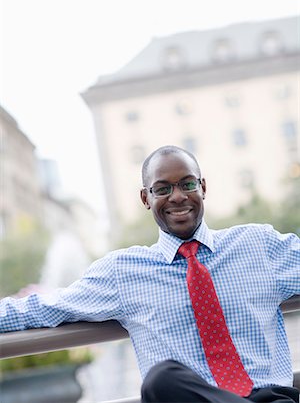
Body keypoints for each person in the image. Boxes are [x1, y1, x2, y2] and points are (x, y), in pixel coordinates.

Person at [0, 145, 299, 403]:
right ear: (146, 198)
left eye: (188, 184)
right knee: (162, 380)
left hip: (269, 396)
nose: (178, 196)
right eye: (162, 189)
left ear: (203, 188)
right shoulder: (122, 272)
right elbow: (45, 306)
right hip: (188, 399)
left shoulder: (258, 244)